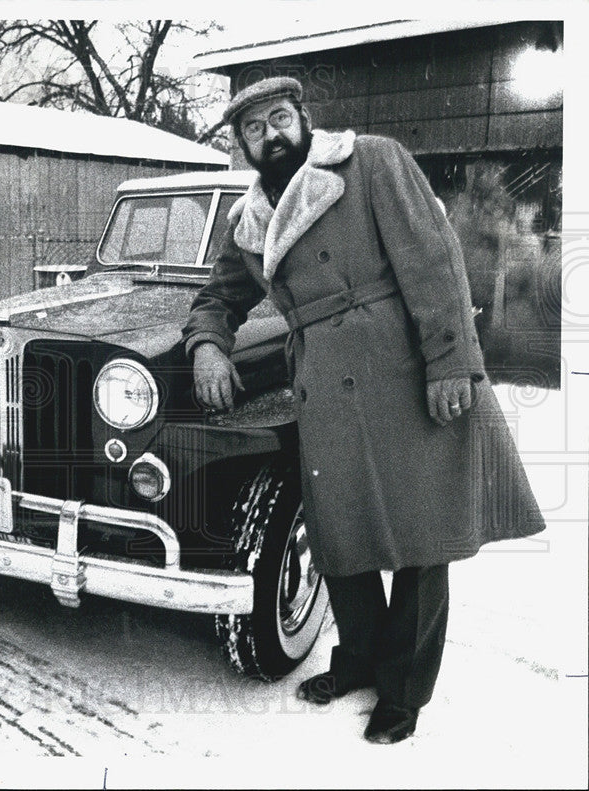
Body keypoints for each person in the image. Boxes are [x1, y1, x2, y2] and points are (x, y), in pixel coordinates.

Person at [183, 77, 546, 743]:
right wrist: (208, 345)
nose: (272, 135)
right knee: (342, 540)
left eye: (280, 118)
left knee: (419, 536)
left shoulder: (371, 161)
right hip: (324, 389)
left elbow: (434, 263)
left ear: (304, 120)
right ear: (243, 147)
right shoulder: (251, 220)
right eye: (255, 130)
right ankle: (356, 659)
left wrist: (448, 361)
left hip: (405, 374)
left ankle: (403, 690)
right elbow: (218, 297)